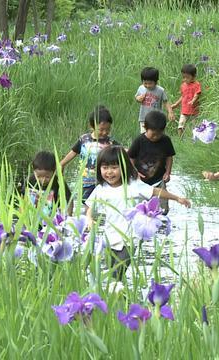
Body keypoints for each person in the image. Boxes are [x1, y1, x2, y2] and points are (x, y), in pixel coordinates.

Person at [85, 145, 191, 280]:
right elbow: (89, 206)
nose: (109, 172)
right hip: (109, 238)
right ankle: (121, 299)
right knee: (113, 276)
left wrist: (177, 198)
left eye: (114, 167)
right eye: (105, 168)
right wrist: (89, 219)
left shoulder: (133, 186)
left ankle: (120, 297)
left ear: (123, 167)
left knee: (116, 274)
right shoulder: (101, 189)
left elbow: (155, 191)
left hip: (129, 239)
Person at [59, 105, 119, 202]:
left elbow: (123, 152)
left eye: (108, 130)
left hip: (104, 181)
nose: (105, 132)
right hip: (86, 181)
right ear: (92, 127)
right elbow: (73, 152)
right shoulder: (84, 139)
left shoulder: (110, 142)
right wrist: (62, 164)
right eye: (101, 129)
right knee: (86, 203)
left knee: (102, 203)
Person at [128, 110, 176, 215]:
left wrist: (168, 172)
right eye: (153, 134)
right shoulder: (139, 141)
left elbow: (169, 157)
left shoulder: (166, 140)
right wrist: (134, 172)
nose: (156, 137)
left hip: (159, 180)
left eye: (159, 134)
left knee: (162, 210)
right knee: (139, 209)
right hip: (140, 181)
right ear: (145, 128)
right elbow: (130, 158)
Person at [22, 151, 73, 217]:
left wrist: (70, 217)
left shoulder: (58, 182)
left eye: (47, 177)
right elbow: (22, 199)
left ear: (54, 171)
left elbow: (69, 199)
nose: (43, 180)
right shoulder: (29, 181)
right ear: (34, 171)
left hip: (52, 220)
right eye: (39, 176)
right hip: (32, 219)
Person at [135, 67, 175, 134]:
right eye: (145, 83)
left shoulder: (160, 90)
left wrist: (170, 112)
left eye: (150, 83)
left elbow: (165, 102)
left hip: (156, 118)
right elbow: (136, 97)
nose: (147, 85)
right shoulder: (141, 88)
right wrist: (138, 99)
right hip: (144, 118)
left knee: (158, 134)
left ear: (156, 82)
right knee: (144, 135)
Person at [171, 64, 202, 139]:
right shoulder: (183, 85)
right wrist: (176, 104)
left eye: (187, 77)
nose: (185, 79)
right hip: (184, 110)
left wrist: (193, 101)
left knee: (195, 127)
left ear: (194, 76)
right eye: (183, 77)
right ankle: (180, 140)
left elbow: (197, 94)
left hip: (194, 110)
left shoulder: (196, 84)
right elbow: (183, 96)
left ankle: (195, 140)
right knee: (180, 126)